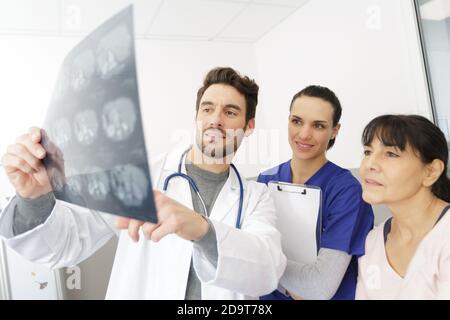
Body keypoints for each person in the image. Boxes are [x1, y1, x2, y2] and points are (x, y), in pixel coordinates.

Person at [0, 67, 286, 299]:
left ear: (249, 127)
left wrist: (200, 228)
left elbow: (268, 271)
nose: (215, 120)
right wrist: (33, 198)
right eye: (207, 109)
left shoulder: (256, 197)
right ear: (197, 116)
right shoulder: (139, 175)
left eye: (231, 112)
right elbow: (65, 244)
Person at [258, 85, 374, 300]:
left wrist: (261, 261)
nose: (304, 134)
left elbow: (320, 288)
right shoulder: (265, 181)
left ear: (335, 130)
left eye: (318, 126)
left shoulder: (347, 192)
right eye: (297, 121)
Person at [356, 114, 450, 299]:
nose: (370, 164)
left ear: (431, 172)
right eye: (368, 152)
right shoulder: (373, 241)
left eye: (391, 154)